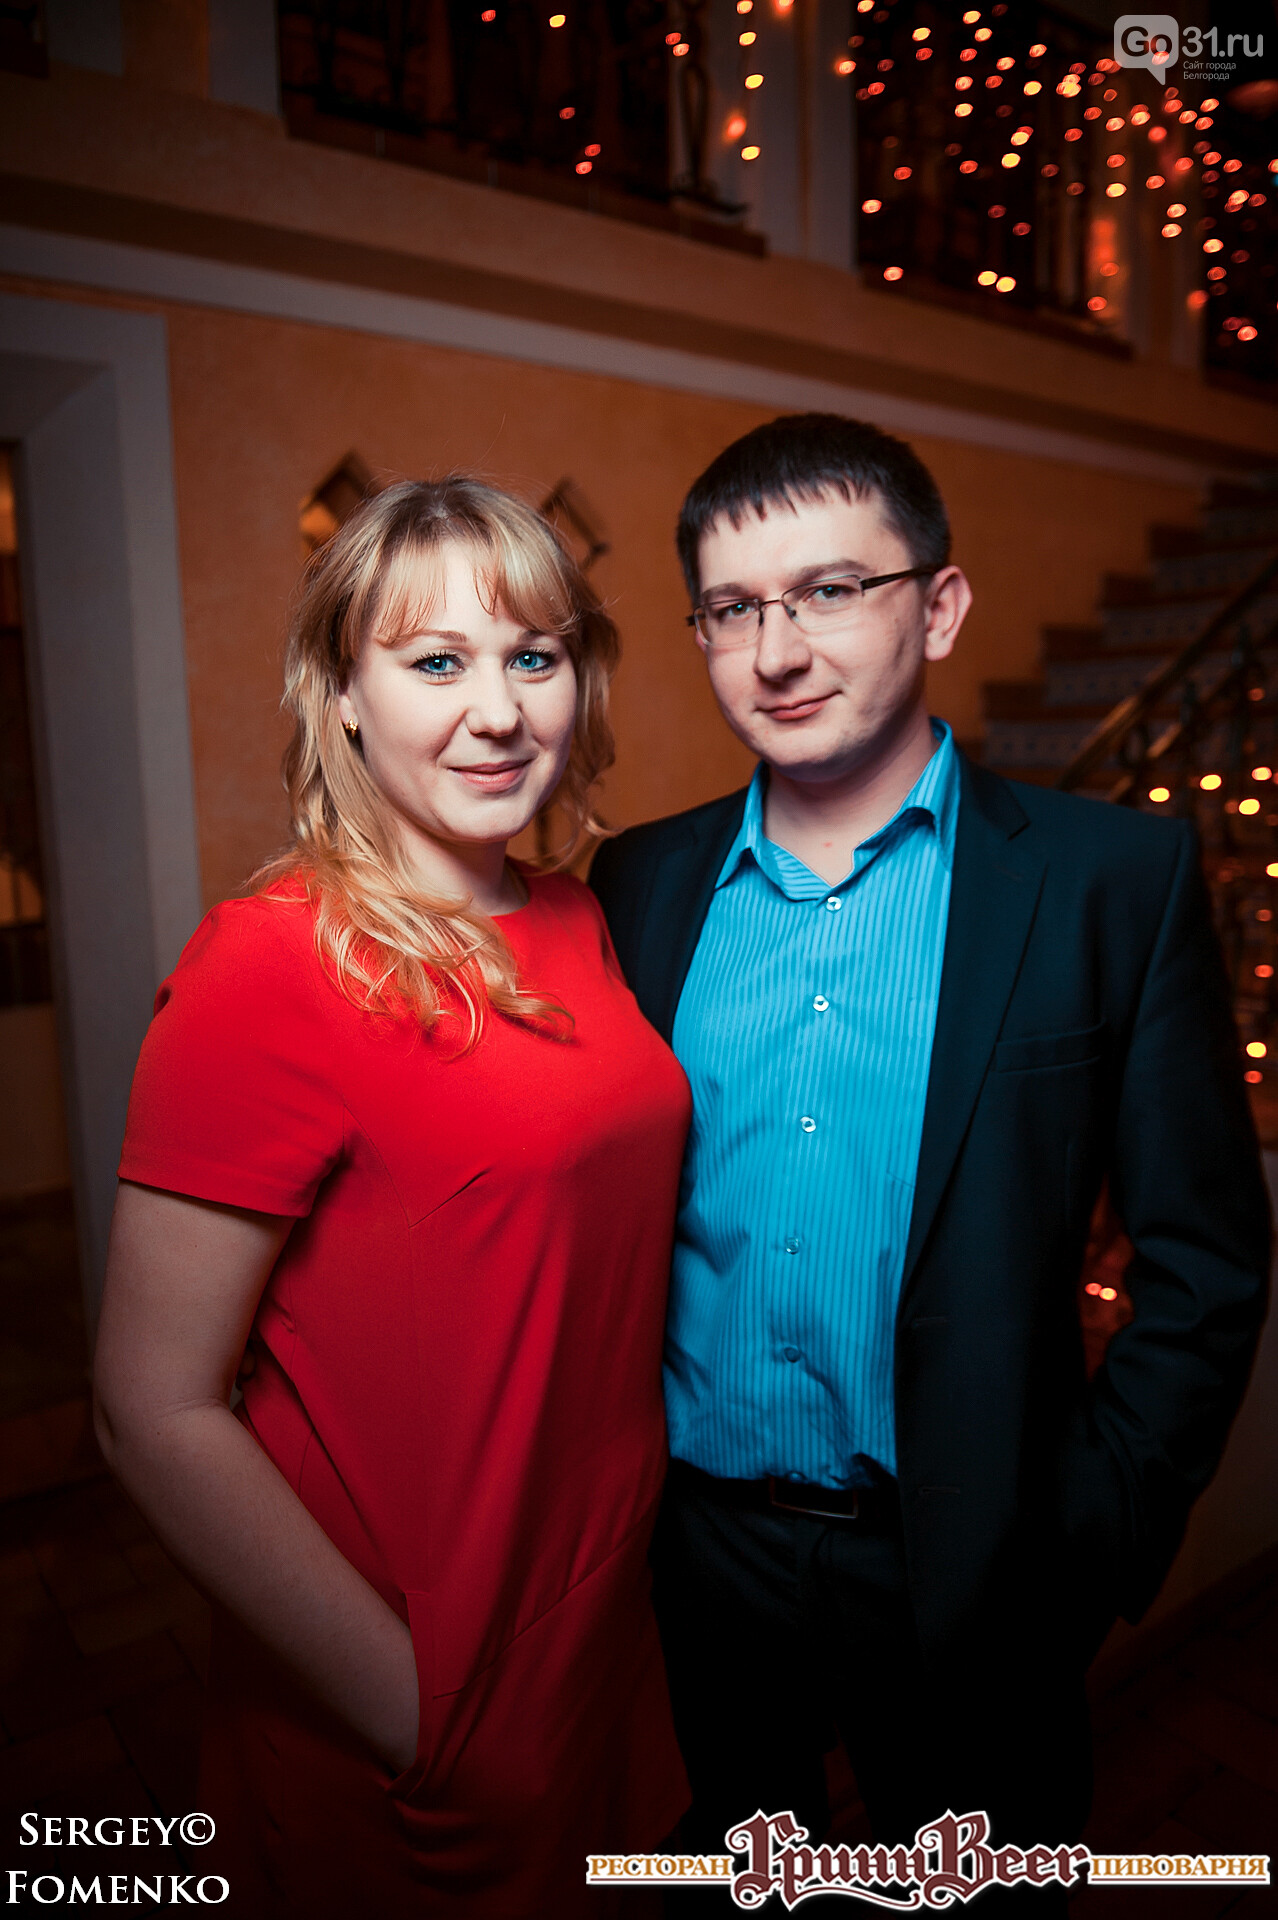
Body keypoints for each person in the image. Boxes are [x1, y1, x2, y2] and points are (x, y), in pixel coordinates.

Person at [589, 413, 1270, 1891]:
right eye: (731, 609)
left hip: (976, 1557)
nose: (776, 651)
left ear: (939, 606)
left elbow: (1206, 1258)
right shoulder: (636, 883)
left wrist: (1096, 1525)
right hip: (699, 1556)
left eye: (829, 591)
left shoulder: (1107, 880)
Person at [93, 477, 691, 1917]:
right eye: (434, 661)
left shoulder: (576, 916)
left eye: (532, 656)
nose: (498, 712)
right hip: (421, 1691)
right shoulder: (270, 965)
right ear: (343, 696)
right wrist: (416, 1712)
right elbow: (150, 1409)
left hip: (603, 1630)